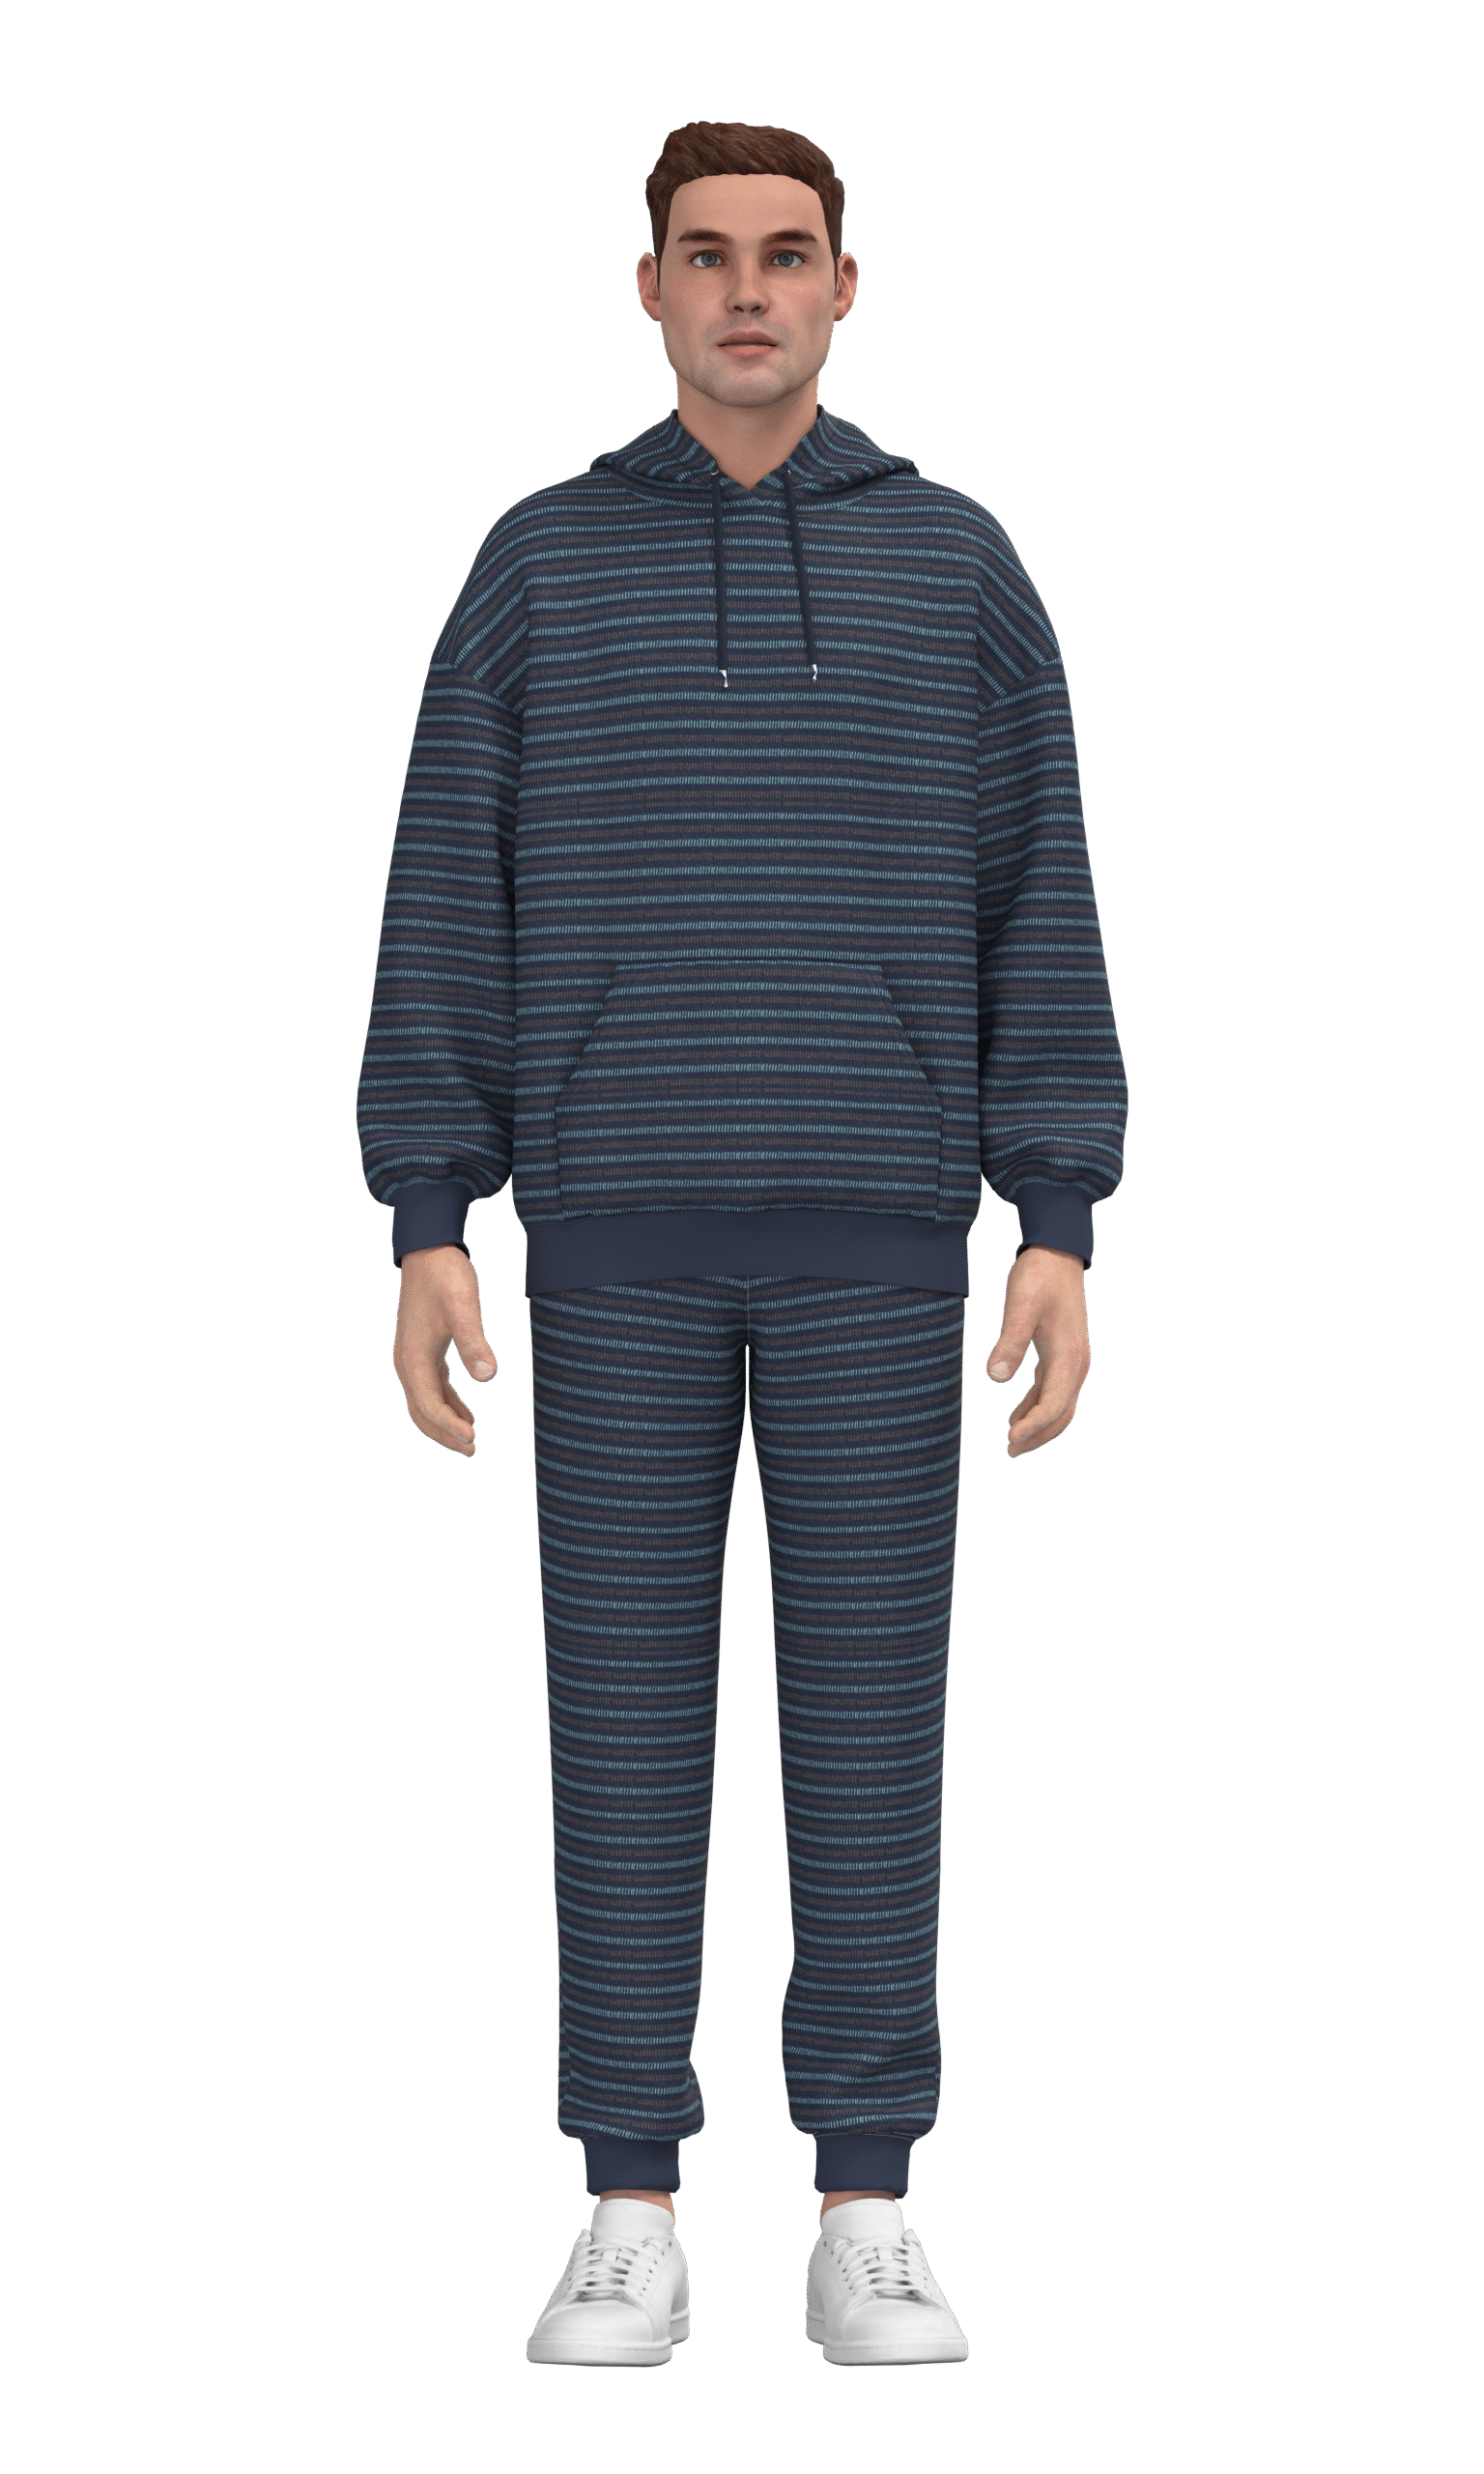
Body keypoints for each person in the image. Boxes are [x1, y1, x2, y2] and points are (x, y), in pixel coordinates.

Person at [357, 119, 1127, 2369]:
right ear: (651, 288)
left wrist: (1058, 1212)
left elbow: (1042, 889)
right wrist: (429, 1210)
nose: (750, 291)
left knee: (874, 1721)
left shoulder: (960, 562)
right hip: (612, 1232)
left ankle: (864, 2206)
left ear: (846, 286)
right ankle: (629, 2210)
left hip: (884, 1231)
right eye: (708, 255)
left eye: (789, 253)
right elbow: (447, 880)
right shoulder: (535, 561)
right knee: (619, 1721)